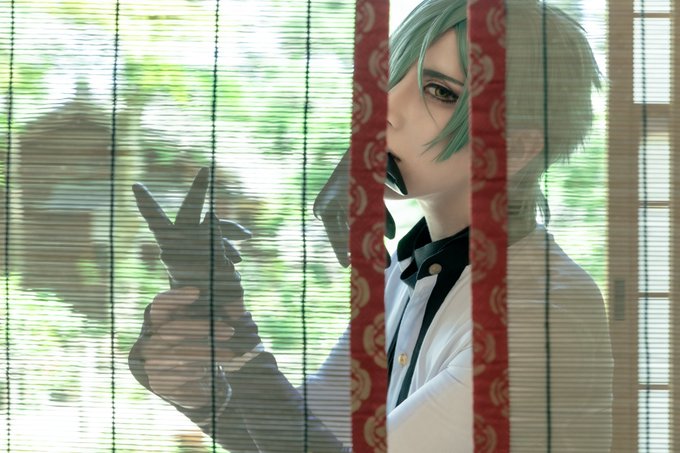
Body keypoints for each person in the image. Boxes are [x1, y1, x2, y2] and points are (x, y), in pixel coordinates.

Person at [128, 0, 613, 451]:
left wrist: (244, 354)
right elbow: (314, 428)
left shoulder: (542, 317)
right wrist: (205, 390)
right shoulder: (408, 268)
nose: (384, 109)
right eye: (390, 76)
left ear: (513, 148)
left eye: (440, 92)